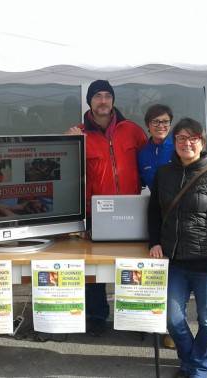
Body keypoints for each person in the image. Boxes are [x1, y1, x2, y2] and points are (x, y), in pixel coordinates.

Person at [148, 118, 207, 378]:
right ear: (174, 143)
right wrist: (154, 241)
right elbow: (153, 213)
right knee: (172, 319)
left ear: (202, 142)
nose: (187, 143)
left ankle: (198, 370)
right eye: (181, 138)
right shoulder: (163, 174)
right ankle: (190, 360)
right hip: (174, 262)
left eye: (193, 138)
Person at [66, 79, 147, 336]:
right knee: (93, 268)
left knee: (131, 264)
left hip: (130, 210)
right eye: (97, 96)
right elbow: (66, 172)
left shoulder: (132, 130)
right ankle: (97, 315)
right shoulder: (78, 133)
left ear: (113, 100)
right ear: (89, 101)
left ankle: (133, 316)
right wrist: (67, 142)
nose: (103, 101)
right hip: (94, 212)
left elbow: (146, 164)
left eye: (107, 96)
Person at [137, 104, 175, 189]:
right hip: (154, 201)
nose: (161, 126)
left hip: (180, 201)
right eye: (155, 121)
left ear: (170, 124)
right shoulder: (142, 154)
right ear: (148, 125)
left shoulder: (178, 148)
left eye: (165, 121)